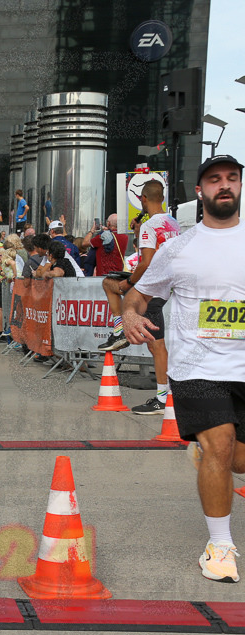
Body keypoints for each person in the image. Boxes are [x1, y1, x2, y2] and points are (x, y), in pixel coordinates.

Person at [123, 154, 243, 583]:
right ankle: (220, 546)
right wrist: (130, 316)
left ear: (240, 186)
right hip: (197, 366)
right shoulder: (179, 247)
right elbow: (136, 294)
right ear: (200, 191)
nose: (224, 185)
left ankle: (212, 453)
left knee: (239, 460)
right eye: (214, 180)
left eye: (232, 178)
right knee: (220, 443)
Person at [97, 179, 179, 415]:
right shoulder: (172, 222)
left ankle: (163, 398)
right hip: (165, 284)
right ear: (161, 198)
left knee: (157, 345)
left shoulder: (150, 226)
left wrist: (130, 282)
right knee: (157, 344)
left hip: (151, 285)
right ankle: (120, 330)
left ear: (143, 199)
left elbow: (146, 262)